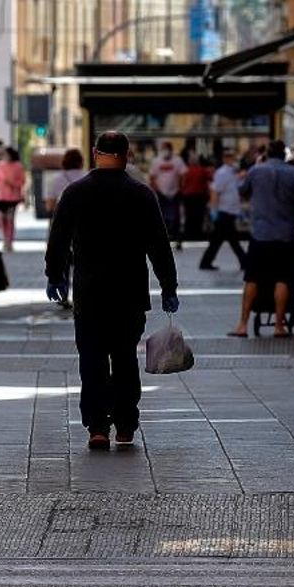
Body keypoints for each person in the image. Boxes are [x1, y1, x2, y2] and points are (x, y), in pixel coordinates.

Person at [46, 131, 180, 451]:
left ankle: (97, 427)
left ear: (95, 153)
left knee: (91, 360)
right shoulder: (141, 194)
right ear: (127, 154)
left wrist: (55, 276)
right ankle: (125, 424)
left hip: (89, 293)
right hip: (129, 293)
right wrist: (168, 286)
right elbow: (159, 245)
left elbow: (59, 238)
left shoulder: (75, 192)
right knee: (124, 358)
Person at [229, 140, 294, 338]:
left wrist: (256, 165)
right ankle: (279, 326)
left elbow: (241, 191)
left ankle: (242, 325)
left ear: (267, 153)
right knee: (283, 279)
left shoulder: (257, 171)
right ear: (284, 154)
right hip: (286, 234)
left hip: (261, 234)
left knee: (252, 278)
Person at [199, 149, 249, 271]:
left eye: (232, 156)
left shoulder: (231, 172)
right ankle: (245, 262)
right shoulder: (222, 173)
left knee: (220, 239)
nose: (232, 159)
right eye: (229, 156)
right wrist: (214, 210)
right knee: (232, 239)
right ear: (224, 158)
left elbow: (234, 184)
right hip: (224, 211)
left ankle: (206, 262)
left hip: (229, 211)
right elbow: (215, 192)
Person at [149, 142, 186, 249]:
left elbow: (183, 175)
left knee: (176, 217)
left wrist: (180, 188)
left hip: (175, 193)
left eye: (166, 148)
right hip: (161, 194)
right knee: (161, 217)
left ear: (170, 149)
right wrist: (156, 190)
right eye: (163, 148)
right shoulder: (156, 161)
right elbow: (152, 177)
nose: (165, 151)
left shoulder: (177, 160)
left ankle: (178, 239)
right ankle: (162, 240)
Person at [0, 146, 28, 251]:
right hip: (2, 196)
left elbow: (22, 180)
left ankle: (9, 241)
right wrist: (1, 184)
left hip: (13, 197)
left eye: (6, 154)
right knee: (2, 218)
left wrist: (12, 184)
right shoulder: (0, 165)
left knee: (10, 219)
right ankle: (5, 238)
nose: (5, 156)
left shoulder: (18, 166)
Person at [180, 153, 213, 241]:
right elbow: (210, 178)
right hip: (199, 196)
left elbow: (183, 184)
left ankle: (189, 234)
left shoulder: (186, 171)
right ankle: (198, 234)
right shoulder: (203, 170)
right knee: (199, 216)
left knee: (189, 216)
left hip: (188, 197)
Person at [45, 148, 86, 216]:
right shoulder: (88, 176)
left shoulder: (56, 179)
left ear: (64, 161)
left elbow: (50, 206)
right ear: (81, 161)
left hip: (63, 219)